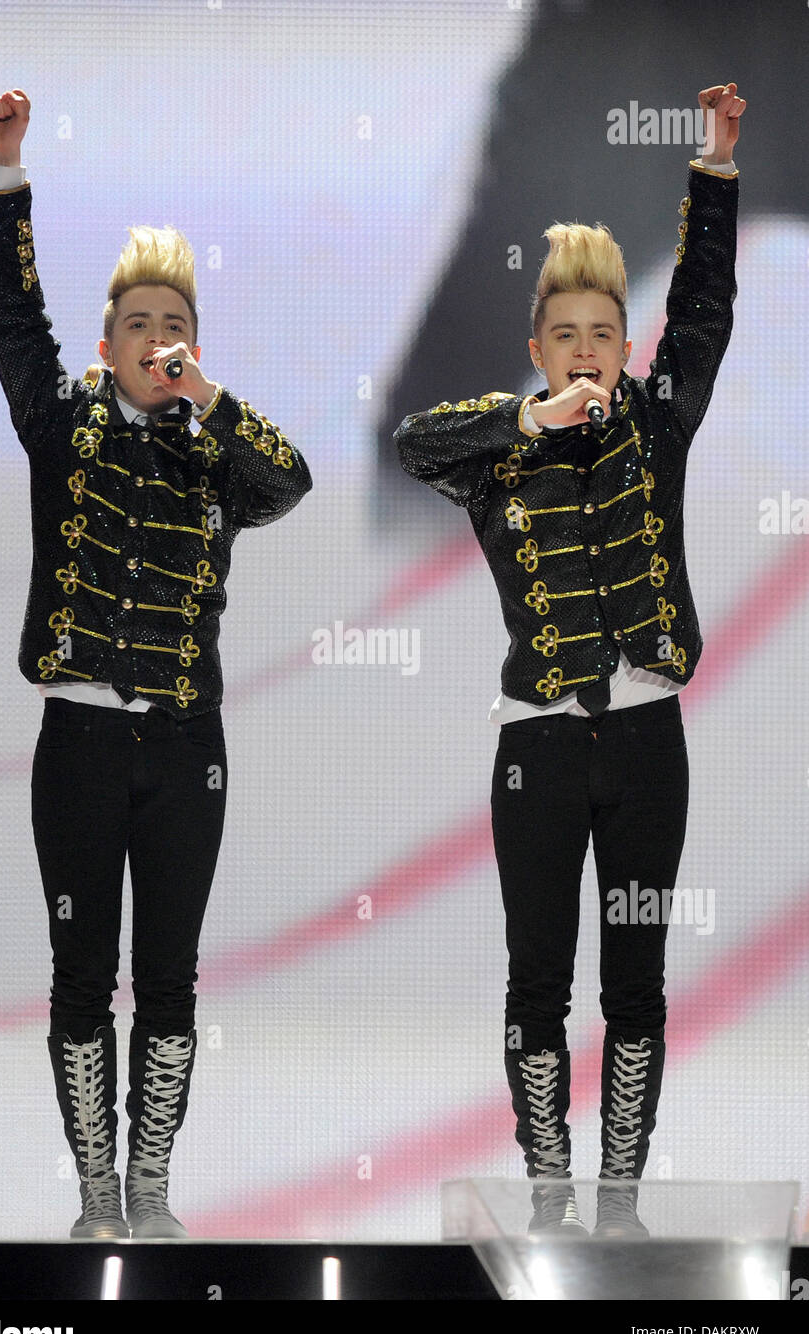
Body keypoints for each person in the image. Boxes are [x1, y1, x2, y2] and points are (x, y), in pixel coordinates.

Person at [394, 83, 745, 1236]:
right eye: (565, 336)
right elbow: (409, 441)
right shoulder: (494, 450)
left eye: (603, 332)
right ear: (535, 350)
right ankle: (546, 1194)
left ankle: (621, 1201)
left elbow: (702, 312)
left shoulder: (655, 422)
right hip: (534, 747)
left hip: (647, 740)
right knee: (536, 979)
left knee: (634, 982)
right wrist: (519, 422)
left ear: (622, 345)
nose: (586, 351)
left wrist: (713, 171)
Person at [0, 89, 312, 1239]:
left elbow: (291, 482)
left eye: (176, 324)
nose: (158, 338)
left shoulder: (215, 455)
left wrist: (206, 399)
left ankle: (153, 1185)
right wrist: (7, 173)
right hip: (73, 739)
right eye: (139, 323)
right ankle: (94, 1193)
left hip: (183, 747)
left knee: (167, 978)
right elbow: (12, 320)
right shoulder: (60, 429)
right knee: (82, 976)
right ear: (108, 339)